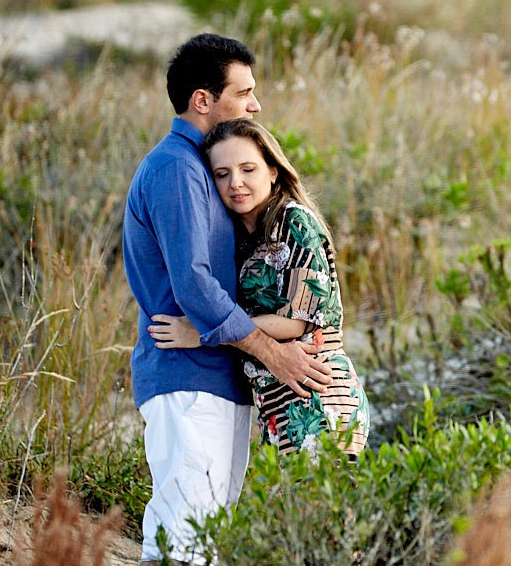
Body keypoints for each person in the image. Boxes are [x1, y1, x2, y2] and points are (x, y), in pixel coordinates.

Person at [122, 33, 336, 566]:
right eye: (243, 92)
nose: (254, 104)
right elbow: (192, 282)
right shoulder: (176, 169)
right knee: (181, 541)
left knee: (204, 540)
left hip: (216, 378)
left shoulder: (205, 169)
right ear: (202, 100)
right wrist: (273, 353)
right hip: (186, 379)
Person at [149, 119, 371, 456]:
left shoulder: (295, 223)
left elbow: (296, 321)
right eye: (222, 174)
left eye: (248, 169)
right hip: (274, 401)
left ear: (272, 170)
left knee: (323, 507)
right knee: (291, 509)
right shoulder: (238, 240)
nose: (235, 183)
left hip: (317, 392)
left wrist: (202, 332)